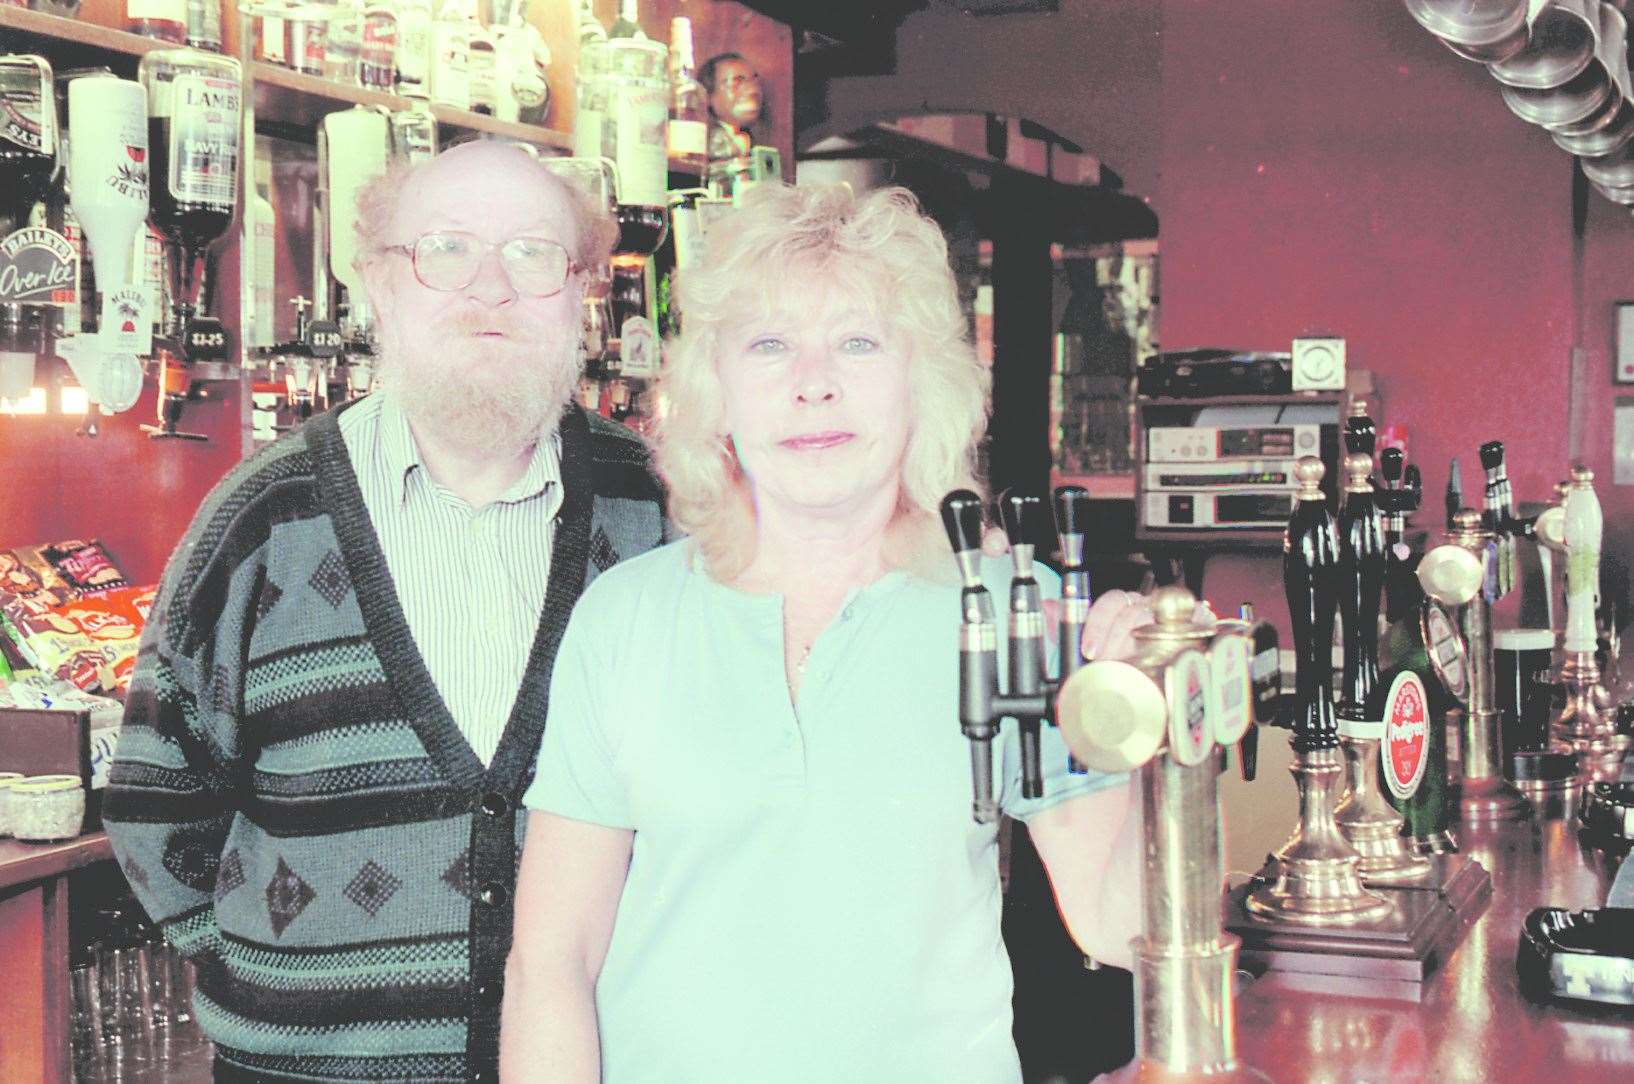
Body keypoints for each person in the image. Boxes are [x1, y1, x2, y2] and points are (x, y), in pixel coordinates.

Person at [500, 182, 1145, 1083]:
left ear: (923, 385)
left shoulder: (1009, 606)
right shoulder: (625, 617)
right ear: (712, 391)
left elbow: (1122, 928)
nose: (814, 384)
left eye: (859, 341)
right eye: (769, 345)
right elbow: (551, 965)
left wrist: (1157, 732)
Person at [103, 141, 667, 1083]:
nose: (490, 288)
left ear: (582, 291)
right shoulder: (260, 520)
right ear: (379, 284)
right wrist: (292, 994)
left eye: (533, 253)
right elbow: (157, 806)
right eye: (445, 249)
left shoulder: (662, 509)